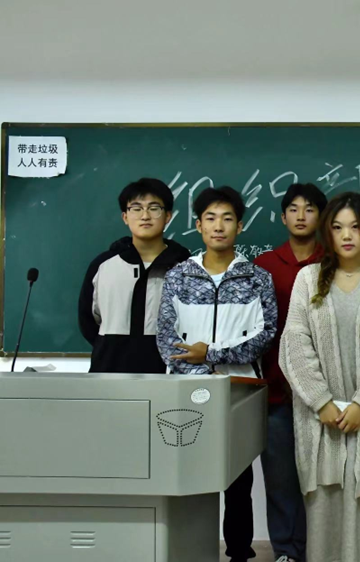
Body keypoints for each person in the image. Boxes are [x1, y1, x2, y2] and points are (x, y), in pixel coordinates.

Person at [281, 192, 360, 562]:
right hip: (319, 420)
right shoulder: (308, 279)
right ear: (328, 233)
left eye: (355, 227)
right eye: (338, 228)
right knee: (323, 511)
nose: (347, 235)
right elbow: (295, 343)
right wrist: (321, 401)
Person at [157, 186, 277, 562]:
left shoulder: (257, 278)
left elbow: (265, 337)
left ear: (240, 226)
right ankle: (190, 550)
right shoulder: (179, 276)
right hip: (186, 392)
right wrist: (200, 370)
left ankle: (240, 552)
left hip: (238, 390)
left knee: (238, 479)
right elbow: (166, 339)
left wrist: (211, 354)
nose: (219, 226)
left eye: (227, 218)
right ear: (198, 226)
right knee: (189, 474)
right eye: (210, 218)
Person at [254, 183, 327, 562]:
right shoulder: (264, 264)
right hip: (275, 389)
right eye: (293, 209)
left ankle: (320, 547)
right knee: (281, 478)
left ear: (322, 217)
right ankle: (286, 550)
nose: (301, 215)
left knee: (322, 479)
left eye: (310, 208)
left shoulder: (334, 261)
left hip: (324, 391)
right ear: (283, 217)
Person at [79, 177, 189, 373]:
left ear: (167, 216)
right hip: (109, 369)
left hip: (167, 373)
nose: (145, 216)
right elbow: (88, 320)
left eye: (154, 208)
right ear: (125, 217)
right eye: (136, 208)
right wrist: (111, 345)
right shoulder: (103, 265)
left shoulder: (185, 267)